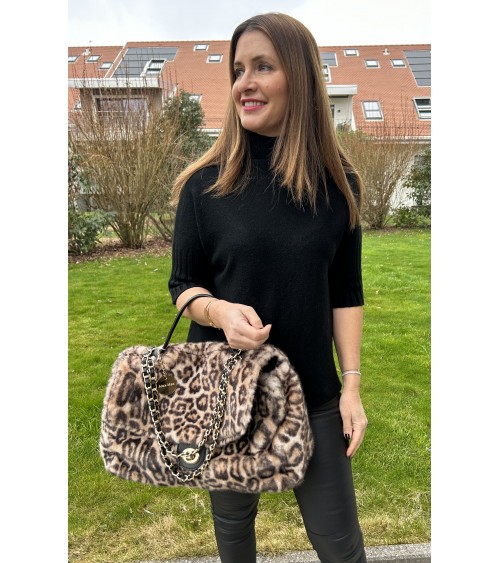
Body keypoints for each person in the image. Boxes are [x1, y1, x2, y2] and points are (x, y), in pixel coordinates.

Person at [168, 12, 368, 563]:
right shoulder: (205, 184)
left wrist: (351, 387)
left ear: (298, 77)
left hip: (312, 392)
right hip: (225, 392)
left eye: (262, 67)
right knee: (234, 531)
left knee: (340, 545)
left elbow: (346, 291)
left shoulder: (338, 184)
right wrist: (219, 313)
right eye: (238, 70)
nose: (244, 83)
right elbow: (183, 285)